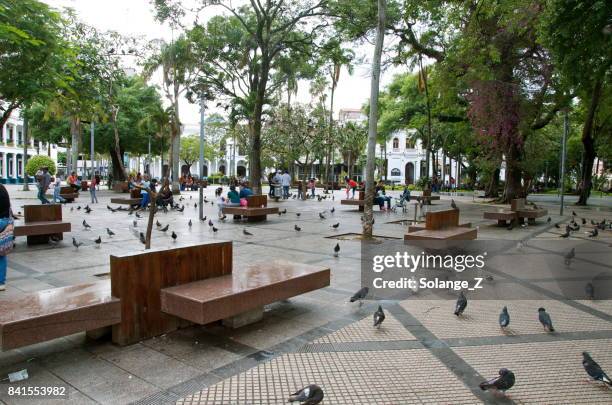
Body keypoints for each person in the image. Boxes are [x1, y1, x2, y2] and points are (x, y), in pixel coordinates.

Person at [0, 184, 13, 291]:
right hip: (4, 221)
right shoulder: (3, 188)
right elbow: (9, 208)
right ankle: (1, 283)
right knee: (1, 254)